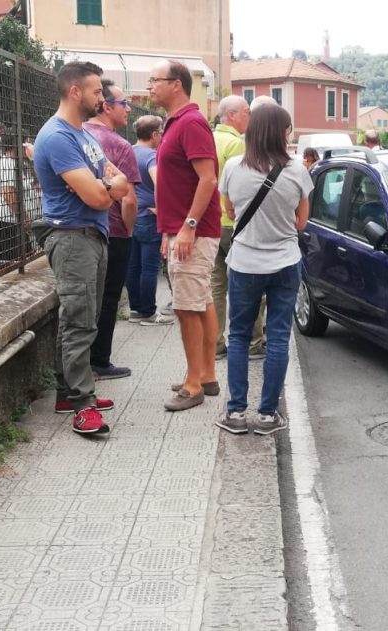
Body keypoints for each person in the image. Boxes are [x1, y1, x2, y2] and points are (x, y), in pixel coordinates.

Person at [33, 61, 131, 434]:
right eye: (95, 92)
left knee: (80, 319)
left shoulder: (85, 137)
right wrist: (104, 190)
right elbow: (100, 194)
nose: (101, 99)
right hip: (72, 237)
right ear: (75, 92)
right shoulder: (58, 137)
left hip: (92, 235)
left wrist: (104, 190)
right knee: (79, 321)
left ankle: (68, 392)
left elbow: (117, 184)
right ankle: (82, 405)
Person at [216, 103, 312, 435]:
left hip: (244, 263)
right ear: (281, 133)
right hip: (285, 262)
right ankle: (269, 415)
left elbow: (229, 210)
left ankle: (236, 413)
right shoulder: (298, 170)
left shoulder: (232, 167)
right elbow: (301, 222)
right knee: (278, 336)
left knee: (240, 335)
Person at [149, 59, 222, 413]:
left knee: (186, 306)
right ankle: (205, 374)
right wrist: (170, 230)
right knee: (199, 301)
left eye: (155, 81)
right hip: (184, 230)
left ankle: (193, 384)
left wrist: (188, 227)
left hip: (194, 231)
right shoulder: (177, 122)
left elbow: (207, 179)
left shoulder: (191, 122)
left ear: (175, 84)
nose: (150, 86)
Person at [84, 79, 142, 380]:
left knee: (84, 300)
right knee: (108, 299)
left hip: (83, 230)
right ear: (107, 106)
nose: (129, 108)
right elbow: (129, 200)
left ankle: (82, 363)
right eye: (124, 103)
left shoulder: (76, 136)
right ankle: (100, 361)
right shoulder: (120, 145)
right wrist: (129, 231)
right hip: (115, 232)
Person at [212, 95, 266, 360]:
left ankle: (215, 344)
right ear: (232, 115)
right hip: (234, 225)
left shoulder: (209, 139)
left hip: (210, 225)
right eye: (247, 111)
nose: (250, 116)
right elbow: (242, 188)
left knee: (216, 287)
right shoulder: (236, 145)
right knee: (248, 286)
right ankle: (253, 342)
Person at [126, 114, 172, 325]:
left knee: (133, 265)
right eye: (161, 132)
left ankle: (135, 309)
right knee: (150, 267)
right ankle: (149, 312)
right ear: (154, 134)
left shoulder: (128, 152)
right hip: (150, 217)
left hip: (132, 214)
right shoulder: (151, 157)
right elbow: (161, 184)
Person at [0, 131, 34, 262]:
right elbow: (8, 193)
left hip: (14, 221)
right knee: (16, 260)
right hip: (6, 221)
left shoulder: (19, 165)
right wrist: (24, 218)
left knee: (26, 258)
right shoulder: (7, 164)